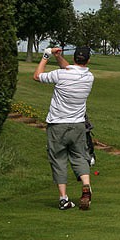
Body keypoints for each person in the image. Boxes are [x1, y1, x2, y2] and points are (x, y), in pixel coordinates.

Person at [33, 46, 94, 211]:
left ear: (74, 58)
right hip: (78, 125)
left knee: (59, 160)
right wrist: (58, 57)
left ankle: (63, 198)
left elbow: (37, 76)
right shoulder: (89, 77)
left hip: (57, 125)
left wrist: (46, 55)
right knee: (80, 157)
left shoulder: (60, 75)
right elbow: (69, 69)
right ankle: (86, 186)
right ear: (87, 60)